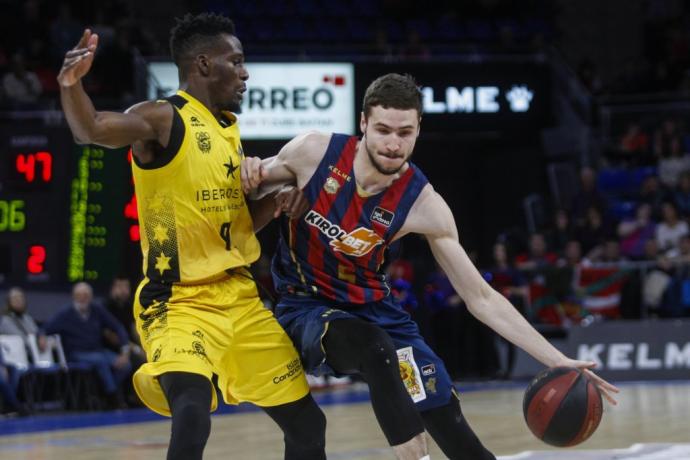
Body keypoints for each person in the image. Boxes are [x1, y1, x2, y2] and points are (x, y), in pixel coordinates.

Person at [242, 73, 620, 460]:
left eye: (404, 132)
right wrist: (259, 179)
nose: (393, 144)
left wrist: (558, 359)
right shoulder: (313, 153)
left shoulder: (424, 204)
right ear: (363, 124)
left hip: (375, 311)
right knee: (375, 348)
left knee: (454, 429)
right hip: (305, 305)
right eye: (383, 130)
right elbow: (245, 189)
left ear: (419, 128)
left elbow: (482, 298)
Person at [57, 13, 325, 460]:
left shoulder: (229, 132)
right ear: (203, 64)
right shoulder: (163, 118)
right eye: (235, 62)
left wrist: (279, 202)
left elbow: (234, 227)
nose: (245, 73)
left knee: (307, 422)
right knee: (192, 410)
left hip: (238, 297)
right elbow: (92, 130)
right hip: (177, 300)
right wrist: (71, 85)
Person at [44, 282, 133, 407]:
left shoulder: (97, 310)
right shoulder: (65, 314)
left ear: (90, 297)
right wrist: (40, 337)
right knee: (100, 361)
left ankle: (104, 393)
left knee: (125, 365)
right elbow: (46, 328)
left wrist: (124, 351)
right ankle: (112, 397)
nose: (83, 298)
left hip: (98, 351)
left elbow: (117, 327)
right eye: (79, 295)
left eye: (86, 295)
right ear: (74, 296)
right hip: (76, 353)